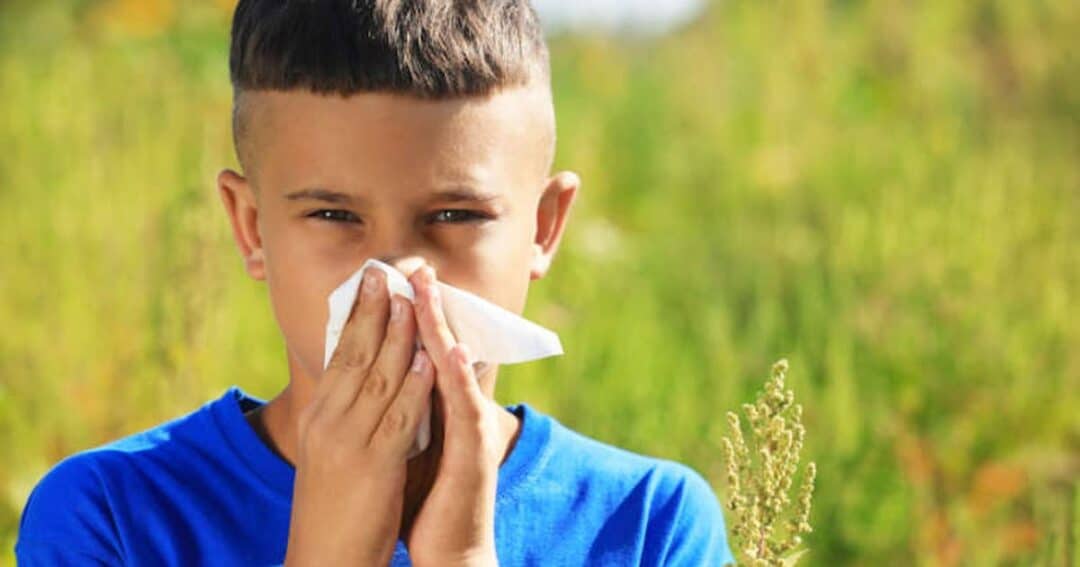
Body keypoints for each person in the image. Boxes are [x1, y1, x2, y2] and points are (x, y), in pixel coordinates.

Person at [15, 1, 736, 565]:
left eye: (455, 215)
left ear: (543, 228)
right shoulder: (113, 514)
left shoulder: (647, 524)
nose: (400, 271)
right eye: (333, 214)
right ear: (251, 227)